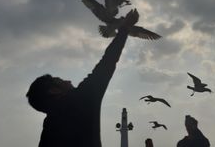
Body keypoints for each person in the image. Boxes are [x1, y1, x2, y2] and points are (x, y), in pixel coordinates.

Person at [26, 9, 139, 147]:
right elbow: (106, 63)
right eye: (60, 81)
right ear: (53, 91)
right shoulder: (81, 99)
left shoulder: (48, 130)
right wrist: (125, 28)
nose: (68, 81)